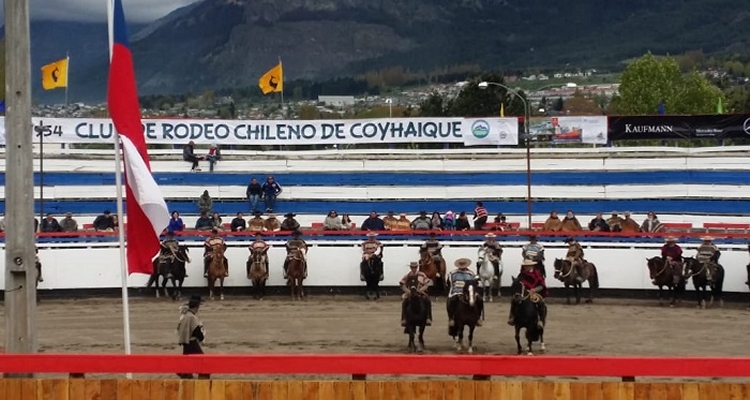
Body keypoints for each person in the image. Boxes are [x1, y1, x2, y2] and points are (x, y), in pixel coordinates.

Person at [507, 259, 548, 328]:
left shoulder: (537, 273)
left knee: (540, 302)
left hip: (535, 293)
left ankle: (540, 320)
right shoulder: (522, 274)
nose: (527, 267)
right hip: (523, 293)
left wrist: (534, 290)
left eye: (528, 266)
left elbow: (542, 285)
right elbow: (518, 284)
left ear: (532, 266)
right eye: (525, 266)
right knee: (514, 300)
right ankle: (512, 317)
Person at [176, 295, 209, 379]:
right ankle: (201, 375)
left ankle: (184, 373)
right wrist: (201, 337)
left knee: (186, 359)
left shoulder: (185, 315)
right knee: (203, 361)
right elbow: (196, 331)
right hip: (192, 342)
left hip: (186, 341)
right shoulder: (191, 317)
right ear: (196, 306)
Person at [446, 258, 483, 327]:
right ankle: (451, 318)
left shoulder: (471, 273)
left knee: (479, 300)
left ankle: (478, 317)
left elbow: (475, 283)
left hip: (469, 291)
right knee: (452, 301)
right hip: (457, 291)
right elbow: (450, 283)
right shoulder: (452, 273)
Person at [399, 261, 433, 326]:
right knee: (404, 302)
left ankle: (428, 317)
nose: (413, 269)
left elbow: (426, 284)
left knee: (427, 300)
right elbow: (402, 284)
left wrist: (421, 290)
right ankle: (404, 318)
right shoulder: (408, 275)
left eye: (415, 267)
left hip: (421, 292)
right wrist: (408, 291)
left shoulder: (422, 275)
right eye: (412, 267)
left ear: (417, 267)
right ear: (410, 268)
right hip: (410, 293)